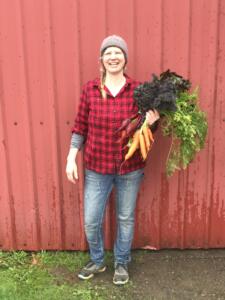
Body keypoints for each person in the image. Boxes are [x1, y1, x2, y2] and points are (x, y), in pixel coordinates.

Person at [66, 35, 160, 285]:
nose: (113, 57)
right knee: (91, 219)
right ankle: (97, 260)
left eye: (118, 52)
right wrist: (71, 157)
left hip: (130, 168)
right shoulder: (91, 89)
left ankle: (121, 262)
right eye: (108, 53)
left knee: (125, 218)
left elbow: (148, 130)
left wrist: (152, 123)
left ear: (125, 59)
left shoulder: (139, 90)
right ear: (102, 59)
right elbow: (79, 126)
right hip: (97, 167)